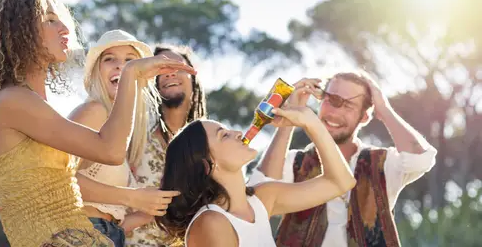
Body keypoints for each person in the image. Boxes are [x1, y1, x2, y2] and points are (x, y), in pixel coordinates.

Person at [0, 0, 196, 247]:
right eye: (50, 20)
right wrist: (130, 74)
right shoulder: (12, 102)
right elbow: (110, 150)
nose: (64, 29)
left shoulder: (28, 111)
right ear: (18, 32)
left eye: (61, 20)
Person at [155, 79, 357, 247]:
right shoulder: (211, 222)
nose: (238, 133)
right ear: (207, 165)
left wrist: (310, 123)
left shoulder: (261, 199)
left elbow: (341, 182)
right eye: (224, 135)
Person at [251, 72, 437, 246]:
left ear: (364, 117)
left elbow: (420, 159)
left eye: (348, 105)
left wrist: (384, 110)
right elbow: (257, 196)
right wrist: (288, 119)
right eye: (330, 100)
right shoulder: (295, 162)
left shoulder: (383, 163)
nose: (334, 112)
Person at [71, 29, 181, 246]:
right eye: (110, 59)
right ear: (96, 71)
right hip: (82, 233)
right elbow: (60, 180)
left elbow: (111, 217)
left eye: (130, 61)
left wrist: (153, 208)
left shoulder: (119, 129)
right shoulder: (95, 111)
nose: (121, 66)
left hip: (105, 234)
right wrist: (133, 197)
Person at [124, 44, 208, 246]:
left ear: (194, 81)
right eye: (162, 69)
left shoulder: (212, 146)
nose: (170, 74)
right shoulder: (132, 137)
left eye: (177, 67)